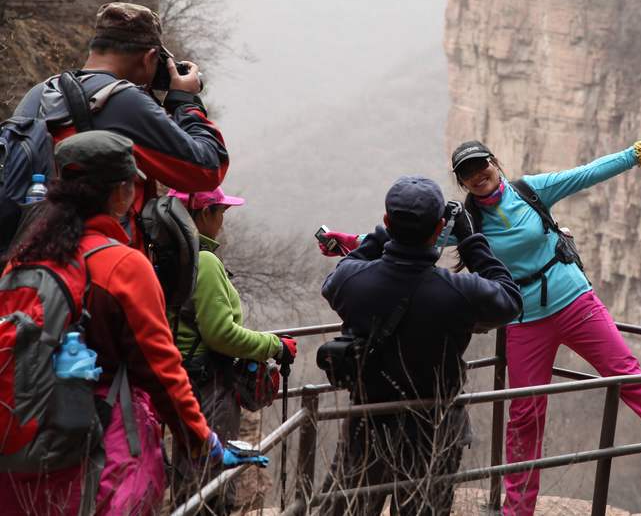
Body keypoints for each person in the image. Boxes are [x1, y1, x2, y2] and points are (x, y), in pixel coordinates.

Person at [320, 122, 641, 515]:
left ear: (495, 163)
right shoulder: (466, 223)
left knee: (627, 373)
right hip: (525, 319)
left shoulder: (531, 191)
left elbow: (588, 173)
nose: (478, 175)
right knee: (524, 415)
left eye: (482, 165)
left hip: (574, 300)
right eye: (467, 172)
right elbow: (404, 235)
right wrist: (351, 243)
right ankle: (518, 511)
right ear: (461, 183)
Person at [0, 131, 224, 515]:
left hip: (18, 453)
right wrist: (199, 438)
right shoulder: (122, 264)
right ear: (122, 191)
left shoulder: (25, 257)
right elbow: (160, 368)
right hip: (99, 455)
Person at [319, 176, 522, 516]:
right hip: (434, 424)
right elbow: (509, 298)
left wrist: (380, 237)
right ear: (440, 227)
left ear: (387, 222)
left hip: (367, 419)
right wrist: (472, 241)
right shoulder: (458, 292)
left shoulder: (352, 282)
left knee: (350, 506)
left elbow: (340, 273)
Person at [13, 2, 228, 251]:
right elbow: (207, 169)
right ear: (149, 57)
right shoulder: (120, 101)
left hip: (29, 255)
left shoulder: (40, 93)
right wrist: (187, 103)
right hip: (97, 266)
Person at [165, 187, 298, 514]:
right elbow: (220, 333)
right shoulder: (204, 261)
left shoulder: (172, 255)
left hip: (183, 380)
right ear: (203, 214)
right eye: (220, 212)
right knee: (212, 482)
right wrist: (274, 345)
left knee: (190, 475)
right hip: (208, 384)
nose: (223, 221)